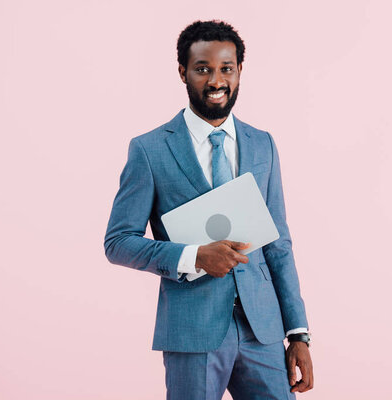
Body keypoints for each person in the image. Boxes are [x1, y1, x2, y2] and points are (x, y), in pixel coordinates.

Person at [104, 20, 313, 399]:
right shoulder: (149, 150)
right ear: (183, 71)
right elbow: (118, 242)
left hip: (262, 330)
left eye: (226, 69)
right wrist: (193, 256)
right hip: (192, 331)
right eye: (203, 69)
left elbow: (279, 244)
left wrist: (298, 333)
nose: (216, 80)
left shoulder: (262, 144)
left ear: (239, 71)